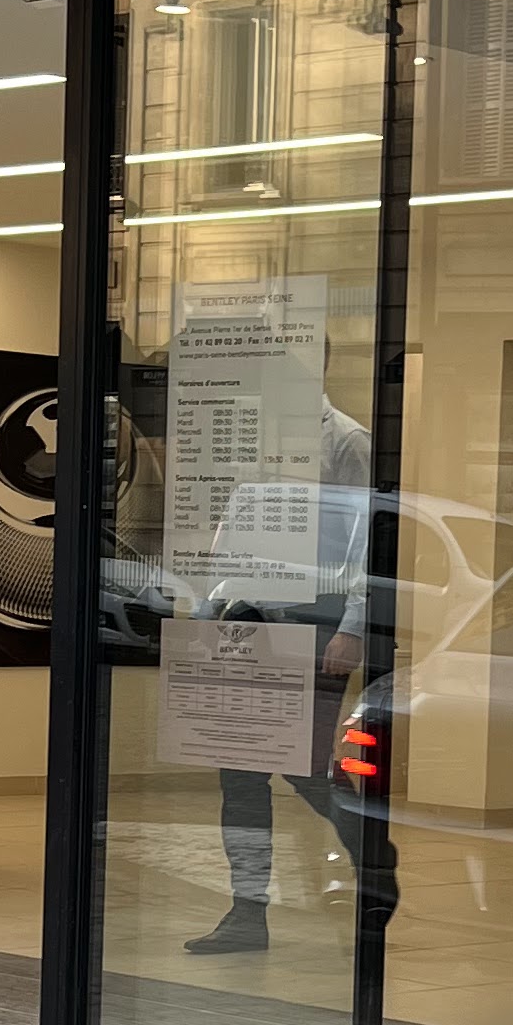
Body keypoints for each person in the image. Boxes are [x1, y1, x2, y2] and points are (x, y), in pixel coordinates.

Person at [185, 395, 378, 957]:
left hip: (313, 621)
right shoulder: (257, 430)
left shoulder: (346, 440)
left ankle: (376, 867)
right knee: (239, 775)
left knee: (307, 769)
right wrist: (206, 612)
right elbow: (232, 533)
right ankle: (247, 912)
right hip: (248, 621)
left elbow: (370, 540)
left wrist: (354, 626)